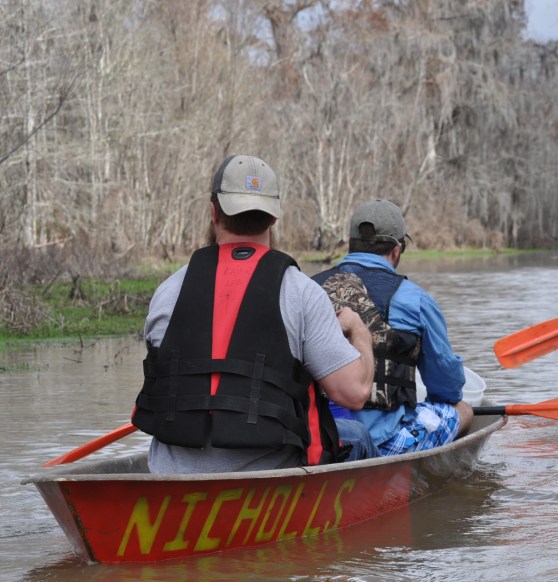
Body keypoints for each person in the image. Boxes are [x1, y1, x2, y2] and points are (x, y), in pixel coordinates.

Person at [132, 154, 376, 474]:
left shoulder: (167, 292)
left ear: (213, 211)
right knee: (356, 434)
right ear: (274, 218)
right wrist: (360, 333)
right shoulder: (301, 293)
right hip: (268, 478)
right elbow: (354, 394)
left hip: (170, 477)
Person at [312, 198, 473, 456]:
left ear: (351, 244)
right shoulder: (416, 300)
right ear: (397, 250)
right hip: (384, 442)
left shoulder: (307, 288)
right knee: (463, 410)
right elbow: (445, 387)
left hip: (317, 436)